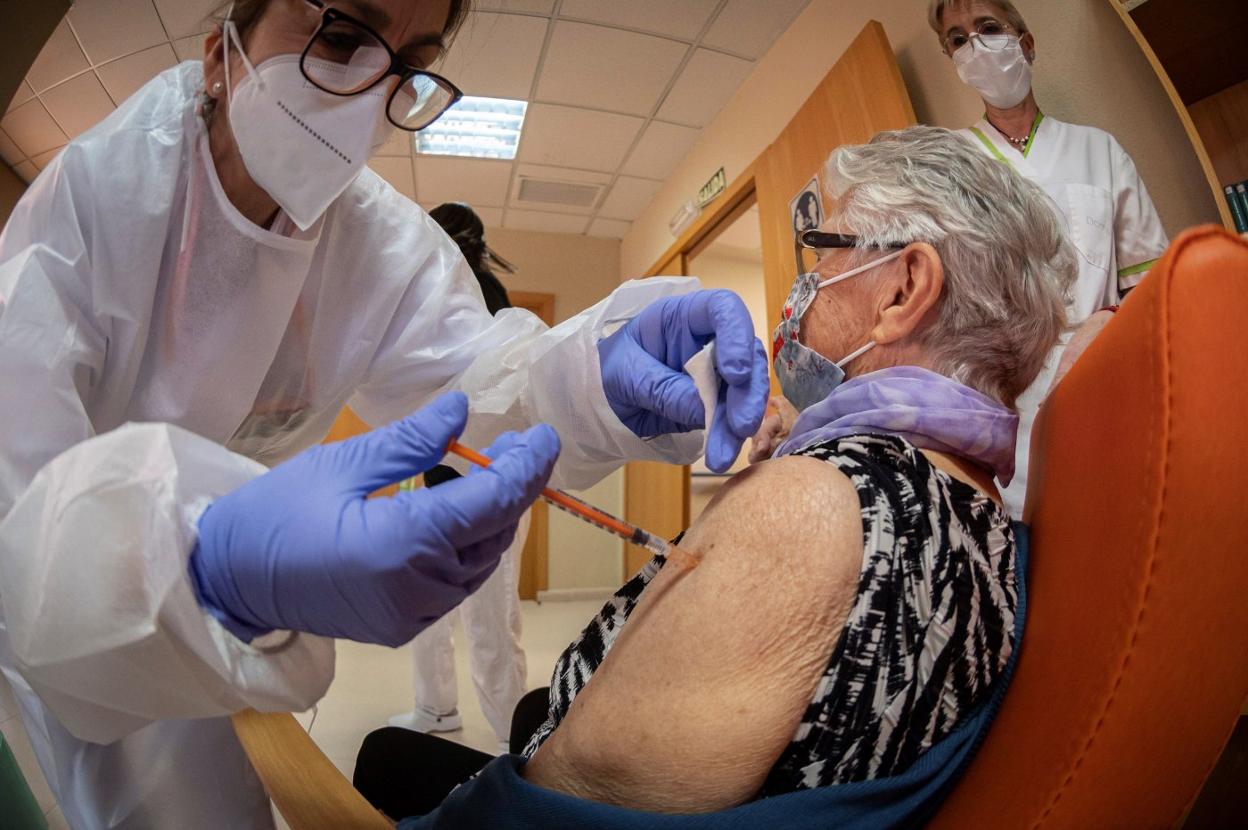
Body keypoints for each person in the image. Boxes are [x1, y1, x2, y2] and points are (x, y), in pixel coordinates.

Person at [0, 1, 769, 826]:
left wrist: (588, 376)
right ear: (222, 53)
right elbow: (18, 509)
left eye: (408, 68)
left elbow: (476, 383)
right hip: (68, 589)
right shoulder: (98, 197)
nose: (371, 96)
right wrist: (207, 563)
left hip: (228, 600)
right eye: (339, 39)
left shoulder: (378, 243)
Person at [353, 126, 1077, 825]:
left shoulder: (811, 504)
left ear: (902, 290)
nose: (801, 290)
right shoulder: (977, 502)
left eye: (818, 257)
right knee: (522, 710)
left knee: (383, 755)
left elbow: (555, 802)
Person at [929, 0, 1169, 518]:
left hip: (1103, 380)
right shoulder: (951, 165)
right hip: (1003, 409)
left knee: (1123, 528)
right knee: (1033, 555)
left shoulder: (1098, 151)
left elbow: (1152, 290)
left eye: (988, 28)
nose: (975, 46)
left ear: (1026, 42)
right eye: (957, 39)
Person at [388, 203, 531, 746]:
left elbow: (497, 401)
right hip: (435, 486)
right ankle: (435, 709)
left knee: (490, 621)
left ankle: (510, 741)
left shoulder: (487, 297)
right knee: (424, 606)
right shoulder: (424, 294)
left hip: (488, 489)